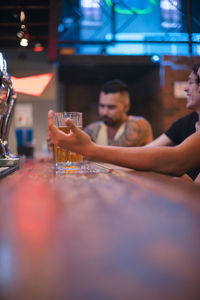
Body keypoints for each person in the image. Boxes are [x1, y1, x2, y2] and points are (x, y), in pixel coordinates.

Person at [145, 63, 200, 181]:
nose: (186, 88)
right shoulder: (185, 122)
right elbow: (147, 151)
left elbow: (177, 160)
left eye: (191, 82)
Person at [84, 79, 153, 146]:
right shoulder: (93, 128)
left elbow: (114, 155)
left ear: (126, 107)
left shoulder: (139, 124)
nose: (105, 112)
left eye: (111, 107)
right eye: (102, 106)